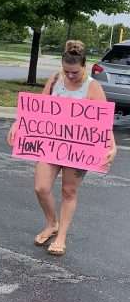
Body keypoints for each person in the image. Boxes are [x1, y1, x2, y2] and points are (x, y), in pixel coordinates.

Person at [7, 40, 117, 256]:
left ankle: (62, 236)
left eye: (74, 72)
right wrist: (18, 123)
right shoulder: (56, 78)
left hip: (78, 149)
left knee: (69, 191)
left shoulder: (93, 87)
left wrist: (112, 146)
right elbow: (37, 109)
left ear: (84, 65)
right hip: (51, 145)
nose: (70, 76)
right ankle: (51, 223)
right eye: (67, 71)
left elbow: (103, 123)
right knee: (41, 187)